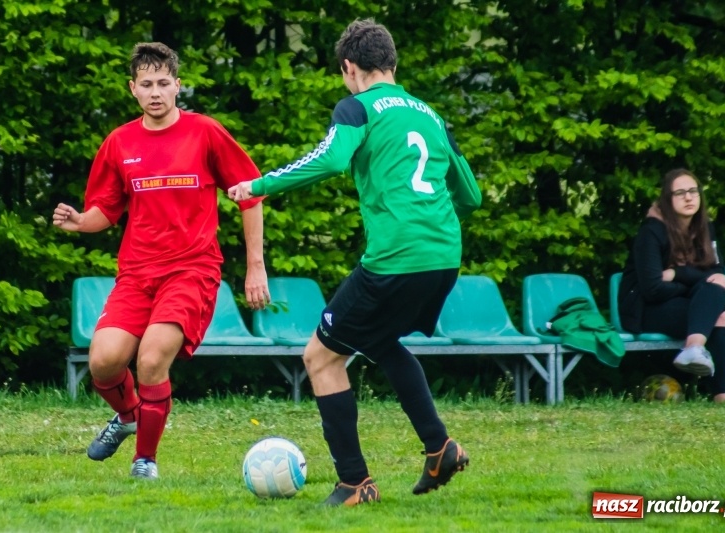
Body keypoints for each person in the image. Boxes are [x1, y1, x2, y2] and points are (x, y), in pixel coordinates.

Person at [228, 19, 482, 506]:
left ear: (349, 67)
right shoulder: (429, 114)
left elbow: (328, 160)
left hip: (396, 259)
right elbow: (468, 194)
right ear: (393, 63)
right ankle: (439, 448)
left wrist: (257, 185)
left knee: (319, 357)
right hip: (444, 256)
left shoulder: (356, 107)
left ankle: (354, 483)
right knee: (382, 341)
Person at [53, 42, 270, 479]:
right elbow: (105, 211)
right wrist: (80, 222)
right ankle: (130, 417)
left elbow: (251, 194)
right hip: (136, 272)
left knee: (151, 360)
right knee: (103, 362)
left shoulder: (205, 132)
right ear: (133, 89)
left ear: (178, 85)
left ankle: (144, 461)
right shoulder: (119, 142)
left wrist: (255, 266)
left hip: (192, 270)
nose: (156, 92)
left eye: (164, 83)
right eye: (147, 84)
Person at [618, 168, 725, 402]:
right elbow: (652, 290)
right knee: (715, 307)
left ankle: (720, 392)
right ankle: (695, 351)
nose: (689, 198)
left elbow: (717, 273)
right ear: (668, 200)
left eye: (693, 191)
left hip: (687, 301)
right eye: (680, 193)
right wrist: (695, 283)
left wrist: (677, 273)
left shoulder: (705, 228)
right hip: (646, 308)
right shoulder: (651, 232)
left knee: (719, 305)